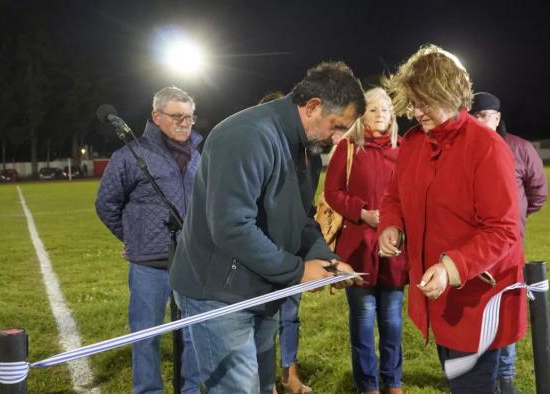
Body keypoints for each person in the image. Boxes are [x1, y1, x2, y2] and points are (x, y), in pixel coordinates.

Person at [169, 61, 366, 394]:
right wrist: (298, 271)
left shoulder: (307, 150)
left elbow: (303, 218)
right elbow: (231, 226)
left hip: (262, 288)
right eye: (336, 126)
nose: (337, 140)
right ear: (313, 106)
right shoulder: (247, 135)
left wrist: (325, 259)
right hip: (219, 295)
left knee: (261, 386)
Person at [378, 44, 527, 393]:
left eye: (422, 102)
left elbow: (503, 231)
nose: (415, 112)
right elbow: (394, 197)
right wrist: (391, 225)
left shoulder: (487, 148)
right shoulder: (413, 144)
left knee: (470, 387)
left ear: (447, 92)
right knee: (458, 382)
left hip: (478, 300)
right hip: (436, 297)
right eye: (411, 102)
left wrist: (451, 267)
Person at [95, 86, 202, 394]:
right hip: (148, 265)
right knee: (146, 335)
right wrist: (134, 237)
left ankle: (191, 389)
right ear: (157, 117)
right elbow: (106, 204)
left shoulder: (199, 154)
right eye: (177, 116)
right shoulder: (130, 155)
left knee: (194, 333)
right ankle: (147, 390)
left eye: (189, 117)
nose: (184, 123)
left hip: (190, 260)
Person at [324, 87, 408, 394]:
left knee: (392, 321)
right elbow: (332, 193)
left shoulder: (404, 148)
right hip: (358, 248)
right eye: (373, 109)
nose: (380, 115)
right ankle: (368, 384)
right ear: (362, 114)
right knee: (362, 320)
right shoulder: (347, 148)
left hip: (394, 250)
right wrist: (361, 212)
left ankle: (393, 381)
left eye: (385, 109)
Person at [470, 91, 548, 394]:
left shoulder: (519, 148)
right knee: (476, 313)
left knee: (505, 311)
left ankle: (505, 376)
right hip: (472, 249)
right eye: (473, 115)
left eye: (484, 115)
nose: (478, 121)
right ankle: (479, 375)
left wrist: (513, 220)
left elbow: (538, 194)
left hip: (507, 249)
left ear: (497, 117)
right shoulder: (462, 149)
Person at [258, 90, 313, 394]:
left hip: (292, 250)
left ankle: (289, 374)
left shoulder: (307, 155)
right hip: (261, 252)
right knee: (262, 318)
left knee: (290, 315)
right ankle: (264, 381)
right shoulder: (255, 149)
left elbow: (307, 208)